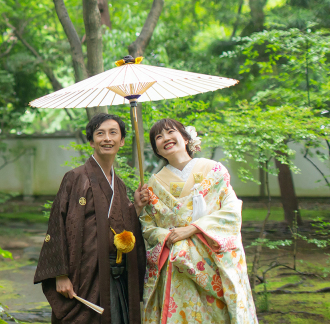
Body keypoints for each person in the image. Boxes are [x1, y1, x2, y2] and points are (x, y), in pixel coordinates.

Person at [133, 118, 257, 324]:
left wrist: (192, 229)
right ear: (156, 149)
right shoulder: (153, 185)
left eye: (170, 132)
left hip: (212, 259)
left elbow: (231, 211)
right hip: (176, 262)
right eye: (158, 137)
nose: (165, 138)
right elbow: (148, 226)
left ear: (185, 137)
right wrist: (169, 237)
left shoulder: (215, 171)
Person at [34, 113, 146, 324]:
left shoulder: (119, 185)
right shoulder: (76, 177)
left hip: (114, 274)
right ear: (91, 140)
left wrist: (137, 206)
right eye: (100, 133)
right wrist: (60, 274)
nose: (107, 138)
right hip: (83, 273)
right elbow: (57, 225)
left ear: (122, 141)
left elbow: (120, 226)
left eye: (113, 133)